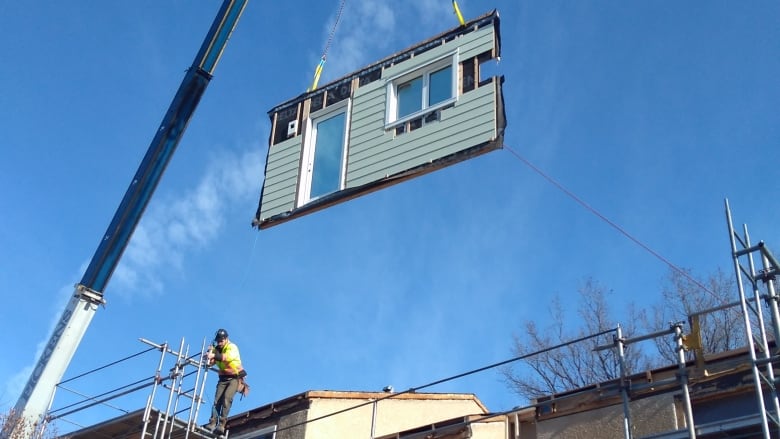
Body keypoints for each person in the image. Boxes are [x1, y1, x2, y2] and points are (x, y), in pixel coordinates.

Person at [203, 328, 245, 435]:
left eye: (221, 340)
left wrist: (214, 355)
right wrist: (208, 358)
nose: (219, 342)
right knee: (217, 401)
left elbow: (228, 357)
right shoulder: (217, 349)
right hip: (223, 379)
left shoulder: (232, 347)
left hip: (234, 378)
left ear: (226, 339)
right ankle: (212, 423)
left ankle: (221, 424)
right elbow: (213, 361)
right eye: (218, 340)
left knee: (227, 399)